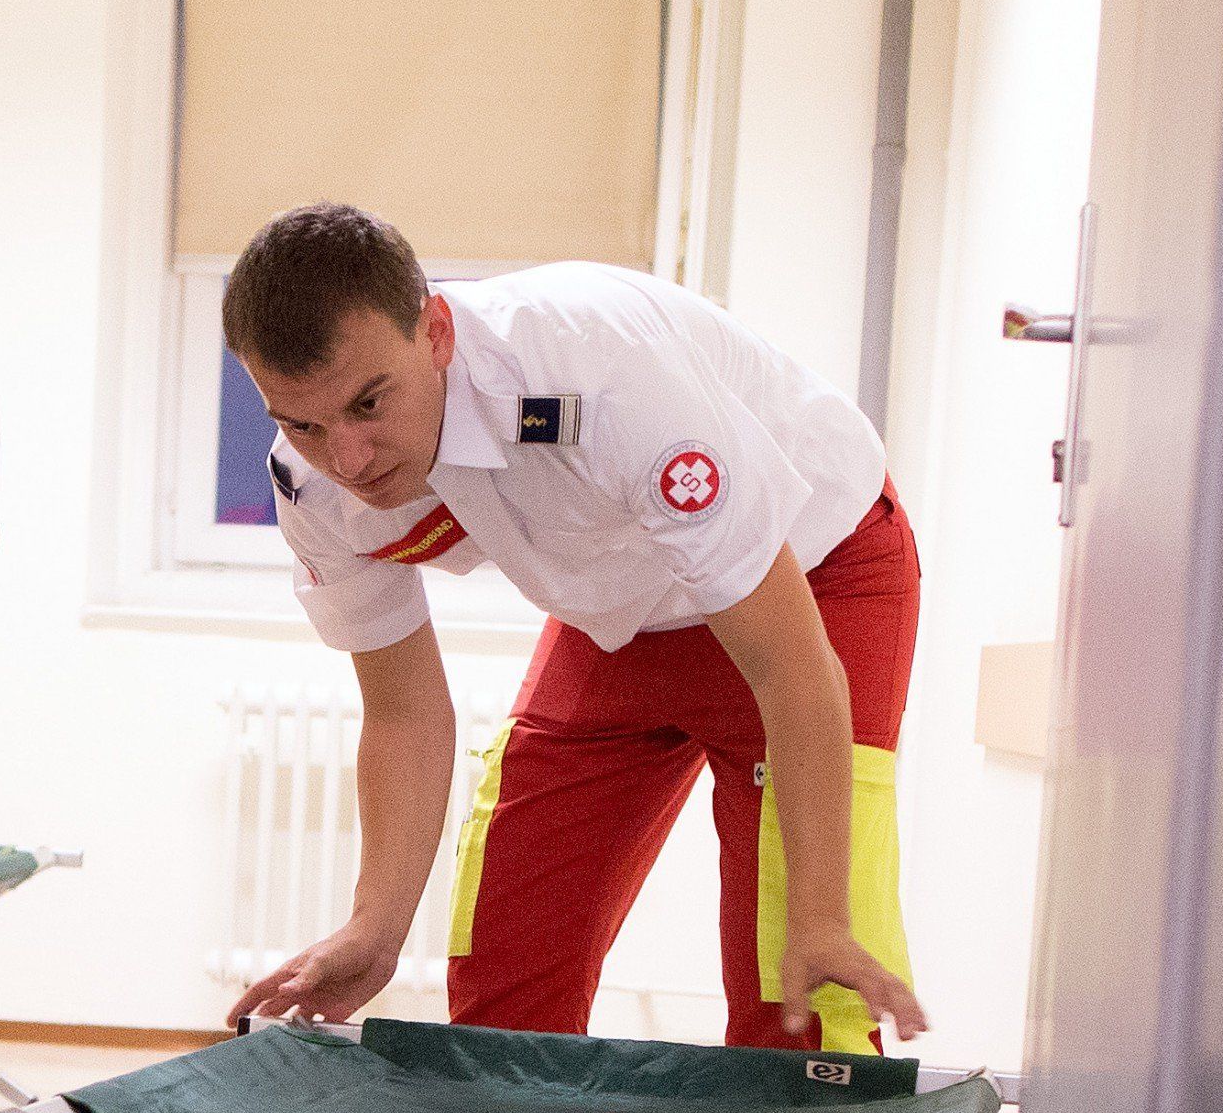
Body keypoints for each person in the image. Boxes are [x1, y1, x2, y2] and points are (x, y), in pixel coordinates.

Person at [223, 204, 927, 1053]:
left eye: (370, 403)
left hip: (814, 579)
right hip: (619, 612)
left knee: (803, 998)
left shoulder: (599, 377)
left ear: (436, 332)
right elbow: (405, 712)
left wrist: (818, 915)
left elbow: (787, 662)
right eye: (303, 422)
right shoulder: (312, 484)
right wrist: (374, 929)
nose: (350, 459)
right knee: (505, 979)